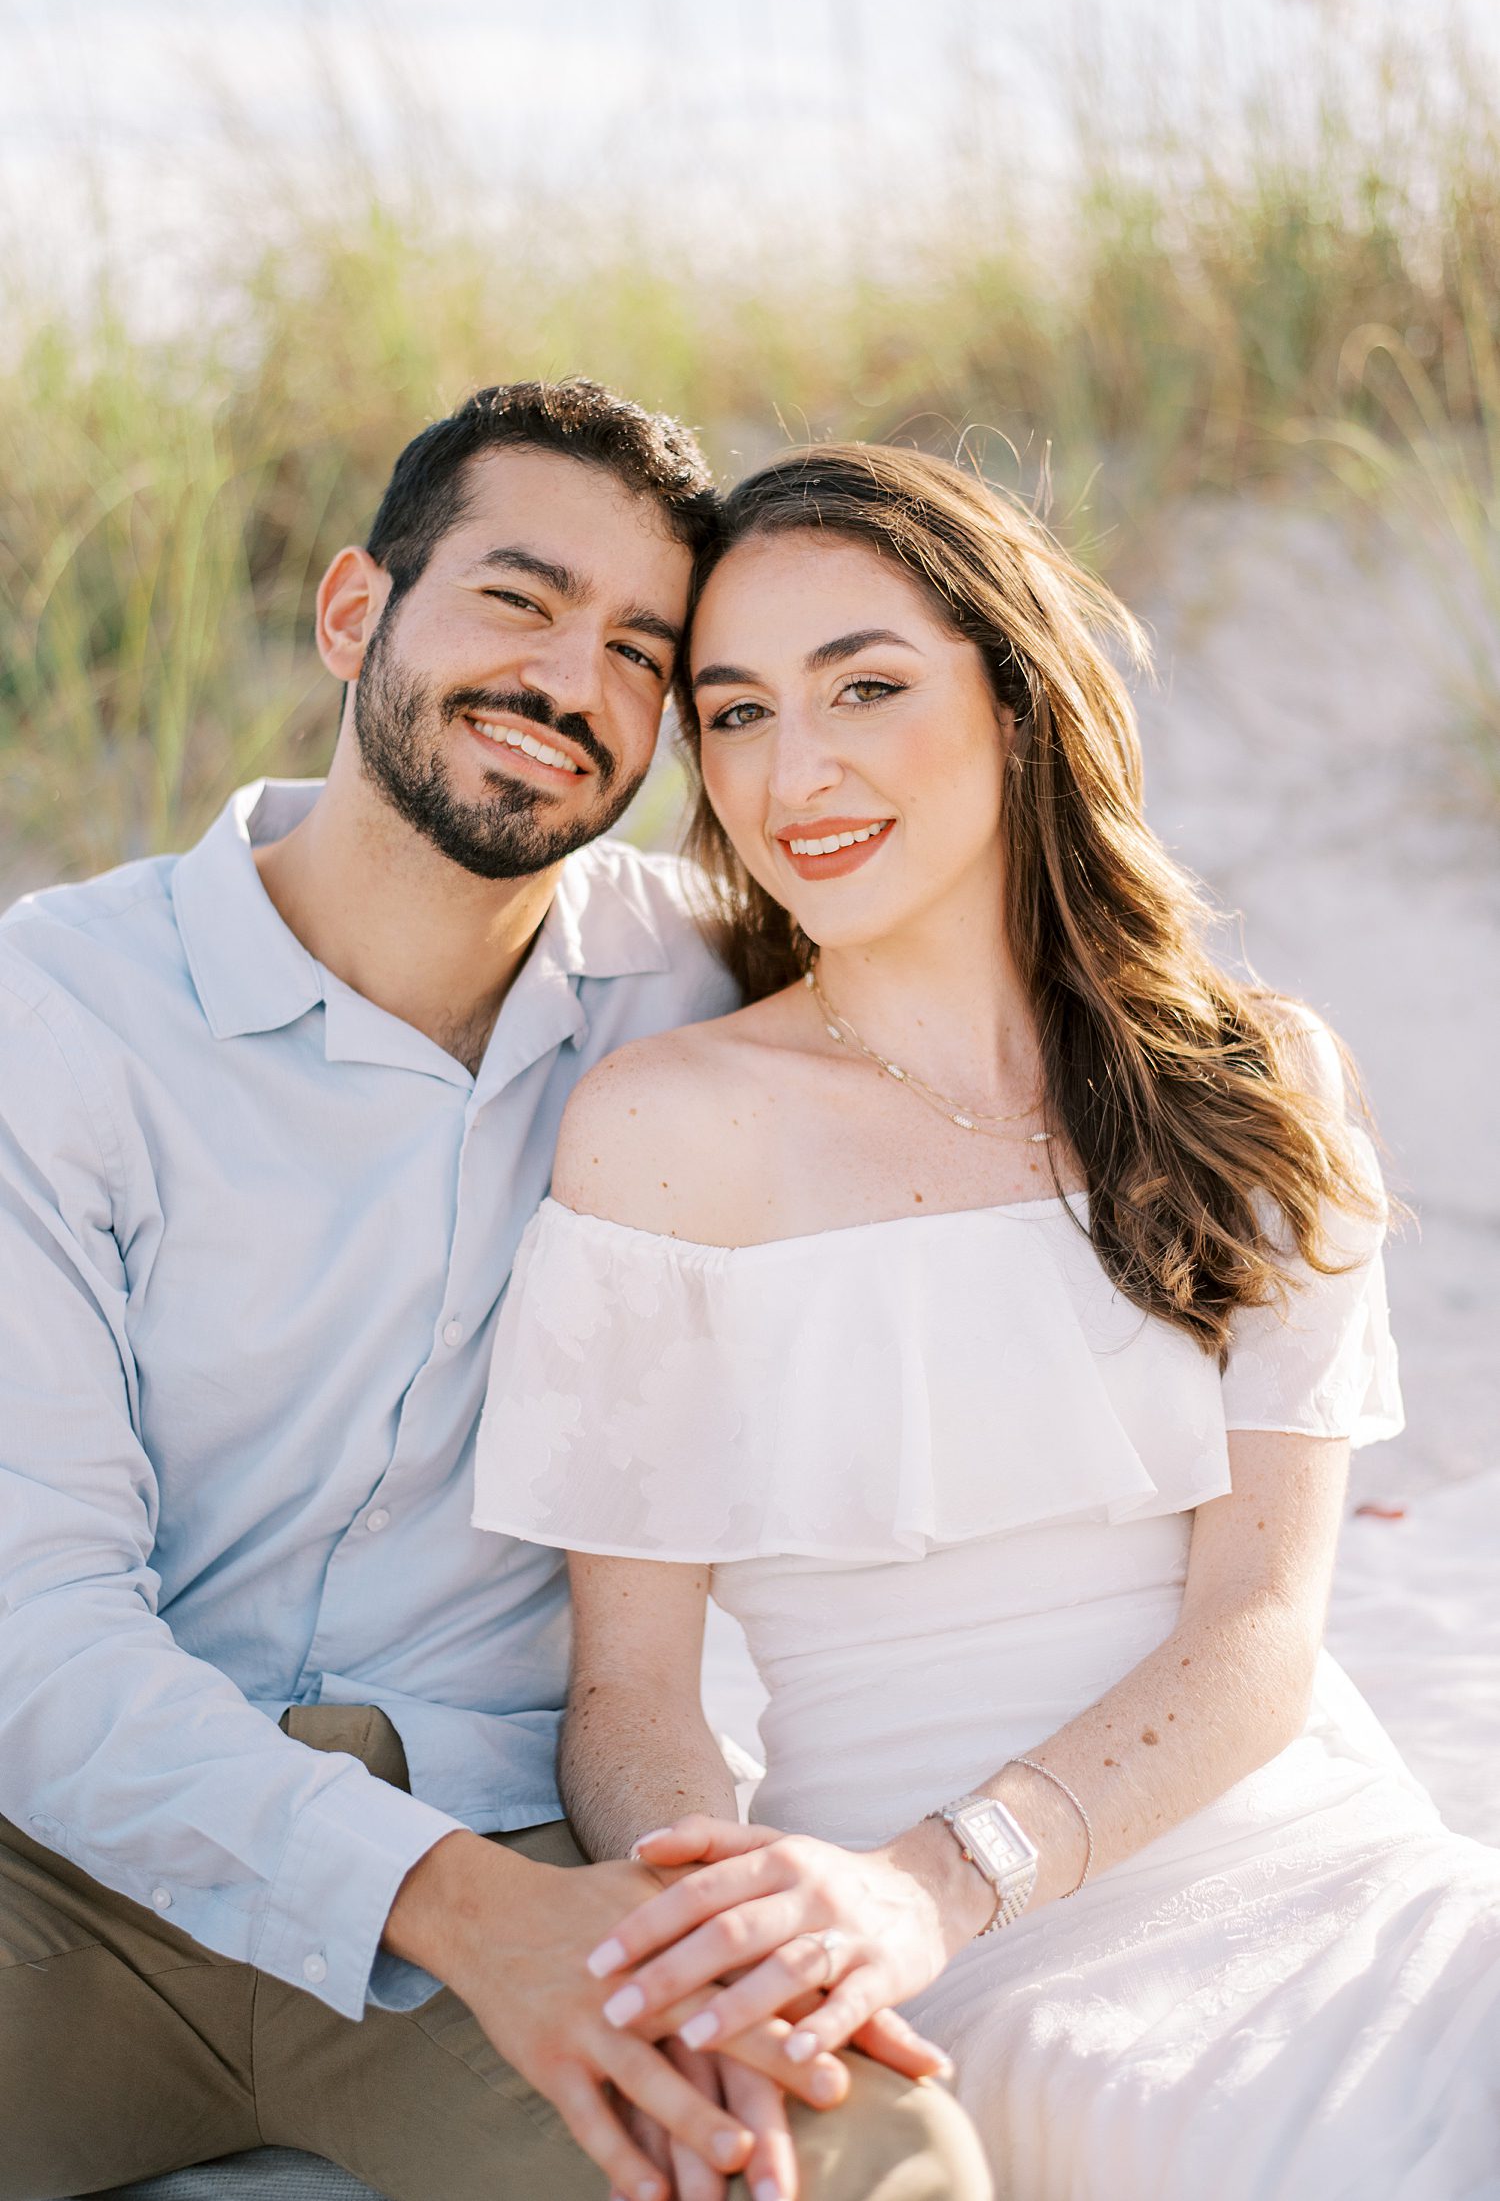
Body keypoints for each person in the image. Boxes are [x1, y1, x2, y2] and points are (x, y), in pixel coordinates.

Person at [473, 442, 1500, 2200]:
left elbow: (1259, 1620)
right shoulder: (664, 1130)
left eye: (865, 685)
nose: (798, 772)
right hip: (958, 1960)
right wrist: (735, 1927)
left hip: (1325, 1861)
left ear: (1018, 701)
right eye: (734, 715)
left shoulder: (1256, 1081)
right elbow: (628, 1696)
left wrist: (951, 1870)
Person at [0, 384, 989, 2201]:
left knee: (857, 2157)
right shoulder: (54, 1016)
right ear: (355, 613)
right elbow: (33, 1641)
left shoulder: (708, 993)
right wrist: (463, 1919)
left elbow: (996, 1037)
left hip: (515, 1828)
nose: (568, 684)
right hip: (63, 1865)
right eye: (519, 602)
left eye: (639, 650)